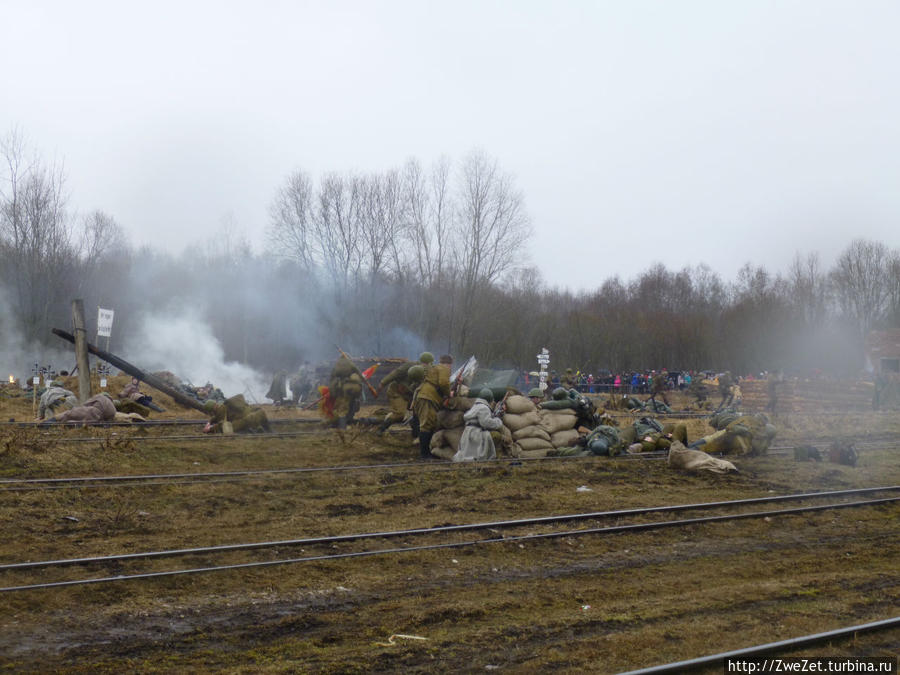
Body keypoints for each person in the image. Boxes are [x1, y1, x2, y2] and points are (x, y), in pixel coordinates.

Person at [412, 353, 451, 459]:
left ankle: (426, 452)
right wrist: (448, 394)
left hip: (424, 396)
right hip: (427, 397)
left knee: (428, 423)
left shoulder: (434, 368)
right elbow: (443, 383)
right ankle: (424, 454)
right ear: (449, 364)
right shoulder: (443, 368)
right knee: (426, 424)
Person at [453, 388, 504, 462]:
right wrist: (498, 421)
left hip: (469, 434)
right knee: (496, 436)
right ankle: (495, 459)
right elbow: (486, 423)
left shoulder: (475, 406)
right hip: (476, 435)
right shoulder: (483, 408)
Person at [377, 362, 424, 436]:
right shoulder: (409, 366)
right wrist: (383, 383)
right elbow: (395, 373)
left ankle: (415, 434)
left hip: (409, 394)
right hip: (396, 392)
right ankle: (381, 428)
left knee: (417, 411)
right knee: (400, 414)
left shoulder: (426, 372)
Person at [325, 355, 364, 429]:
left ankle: (342, 428)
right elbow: (361, 376)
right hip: (356, 393)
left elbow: (332, 381)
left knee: (342, 409)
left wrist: (333, 393)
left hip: (345, 391)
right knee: (351, 406)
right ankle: (347, 422)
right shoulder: (352, 366)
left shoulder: (337, 367)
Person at [42, 392, 117, 424]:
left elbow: (86, 405)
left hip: (95, 412)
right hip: (100, 417)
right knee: (75, 417)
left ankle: (52, 420)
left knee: (71, 414)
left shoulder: (100, 397)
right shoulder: (111, 405)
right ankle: (56, 421)